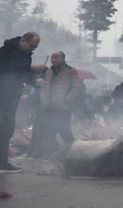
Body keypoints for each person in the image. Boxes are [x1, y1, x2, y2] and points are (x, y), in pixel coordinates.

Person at [0, 32, 44, 172]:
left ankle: (2, 162)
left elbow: (23, 74)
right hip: (3, 95)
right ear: (23, 41)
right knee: (3, 128)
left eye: (35, 47)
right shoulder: (7, 51)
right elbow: (11, 69)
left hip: (11, 96)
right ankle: (1, 164)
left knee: (7, 129)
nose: (33, 49)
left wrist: (34, 81)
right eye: (31, 45)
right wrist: (32, 70)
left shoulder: (24, 55)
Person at [32, 51, 83, 157]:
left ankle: (74, 153)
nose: (53, 59)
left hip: (63, 108)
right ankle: (52, 155)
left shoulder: (71, 71)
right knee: (50, 131)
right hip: (48, 106)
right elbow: (45, 87)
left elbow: (77, 87)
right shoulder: (49, 71)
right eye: (52, 57)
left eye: (56, 57)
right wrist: (43, 100)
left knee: (64, 130)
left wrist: (67, 99)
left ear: (63, 59)